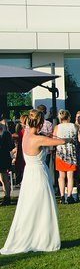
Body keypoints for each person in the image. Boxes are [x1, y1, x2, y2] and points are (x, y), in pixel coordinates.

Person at [0, 109, 69, 255]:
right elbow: (60, 141)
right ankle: (43, 240)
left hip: (30, 174)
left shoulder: (26, 136)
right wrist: (68, 139)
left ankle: (37, 237)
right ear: (40, 122)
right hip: (38, 174)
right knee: (43, 206)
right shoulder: (37, 139)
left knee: (31, 206)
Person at [54, 109, 78, 204]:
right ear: (69, 117)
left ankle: (62, 196)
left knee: (61, 176)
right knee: (70, 176)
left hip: (60, 152)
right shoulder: (74, 126)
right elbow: (79, 138)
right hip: (71, 152)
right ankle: (69, 196)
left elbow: (54, 139)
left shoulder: (57, 127)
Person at [0, 124, 13, 206]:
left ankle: (7, 197)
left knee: (4, 178)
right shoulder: (7, 134)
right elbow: (11, 147)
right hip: (5, 158)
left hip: (3, 158)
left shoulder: (4, 135)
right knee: (4, 178)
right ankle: (7, 196)